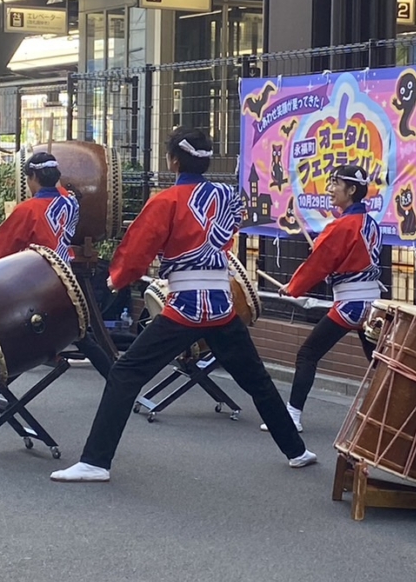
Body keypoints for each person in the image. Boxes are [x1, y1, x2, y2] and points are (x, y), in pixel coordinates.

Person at [50, 128, 315, 483]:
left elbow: (138, 249)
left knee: (125, 375)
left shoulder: (166, 201)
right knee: (257, 380)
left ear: (173, 160)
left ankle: (96, 461)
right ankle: (296, 451)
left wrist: (118, 278)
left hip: (185, 307)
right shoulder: (227, 196)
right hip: (221, 304)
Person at [0, 152, 114, 416]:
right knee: (82, 336)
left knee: (9, 341)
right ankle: (120, 386)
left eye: (29, 178)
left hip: (39, 284)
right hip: (65, 280)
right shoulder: (70, 204)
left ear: (33, 178)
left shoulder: (29, 210)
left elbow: (5, 243)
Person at [268, 163, 381, 434]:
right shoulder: (370, 223)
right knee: (379, 367)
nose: (330, 189)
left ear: (351, 189)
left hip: (350, 306)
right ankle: (391, 421)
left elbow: (319, 264)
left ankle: (292, 416)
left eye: (335, 184)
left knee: (307, 354)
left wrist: (293, 287)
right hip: (373, 306)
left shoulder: (342, 226)